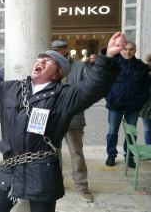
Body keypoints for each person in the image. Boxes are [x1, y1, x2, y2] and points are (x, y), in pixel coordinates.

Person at [0, 32, 126, 212]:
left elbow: (94, 87)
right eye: (40, 59)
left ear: (57, 73)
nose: (41, 62)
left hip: (42, 172)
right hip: (10, 170)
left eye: (48, 62)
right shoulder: (11, 88)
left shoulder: (65, 95)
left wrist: (108, 57)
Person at [52, 41, 93, 202]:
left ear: (65, 51)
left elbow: (89, 89)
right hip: (53, 118)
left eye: (59, 50)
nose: (56, 53)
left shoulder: (79, 67)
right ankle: (56, 183)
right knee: (53, 153)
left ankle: (82, 186)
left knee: (76, 152)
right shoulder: (49, 66)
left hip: (74, 118)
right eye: (54, 50)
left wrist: (77, 105)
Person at [104, 41, 151, 168]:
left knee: (131, 133)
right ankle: (111, 156)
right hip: (115, 105)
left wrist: (140, 101)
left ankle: (129, 157)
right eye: (125, 49)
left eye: (131, 49)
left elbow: (146, 87)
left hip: (133, 107)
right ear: (121, 50)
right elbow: (105, 83)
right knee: (112, 131)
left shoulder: (142, 67)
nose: (128, 51)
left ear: (135, 50)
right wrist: (109, 98)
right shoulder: (114, 65)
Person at [139, 51, 151, 149]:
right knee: (147, 129)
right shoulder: (146, 69)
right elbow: (141, 82)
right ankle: (148, 149)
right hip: (146, 104)